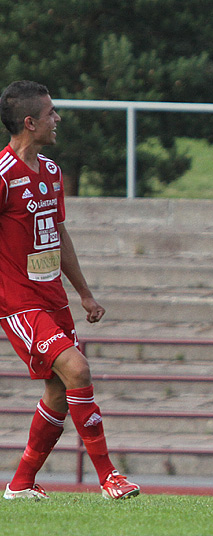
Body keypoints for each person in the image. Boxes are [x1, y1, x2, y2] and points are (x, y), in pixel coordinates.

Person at [0, 80, 139, 500]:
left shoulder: (52, 173)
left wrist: (84, 293)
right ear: (29, 122)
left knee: (59, 392)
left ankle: (21, 483)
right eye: (50, 113)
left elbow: (57, 234)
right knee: (78, 370)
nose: (57, 119)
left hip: (54, 298)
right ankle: (109, 477)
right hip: (20, 303)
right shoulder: (3, 176)